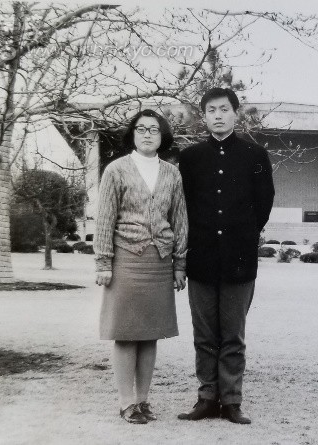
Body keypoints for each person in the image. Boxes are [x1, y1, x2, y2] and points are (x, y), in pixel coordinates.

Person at [177, 88, 275, 424]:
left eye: (224, 109)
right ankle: (206, 398)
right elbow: (183, 208)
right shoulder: (190, 159)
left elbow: (263, 205)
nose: (218, 115)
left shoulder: (255, 156)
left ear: (236, 113)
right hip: (201, 258)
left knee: (233, 334)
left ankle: (231, 400)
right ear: (203, 116)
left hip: (238, 259)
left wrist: (242, 235)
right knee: (204, 335)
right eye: (211, 110)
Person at [94, 109, 188, 424]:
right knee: (126, 333)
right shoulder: (116, 170)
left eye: (154, 129)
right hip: (125, 261)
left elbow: (180, 220)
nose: (147, 134)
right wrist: (103, 261)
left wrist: (179, 264)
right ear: (133, 134)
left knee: (150, 334)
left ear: (163, 136)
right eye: (141, 128)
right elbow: (105, 217)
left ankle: (143, 400)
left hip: (159, 263)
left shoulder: (172, 173)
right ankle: (126, 402)